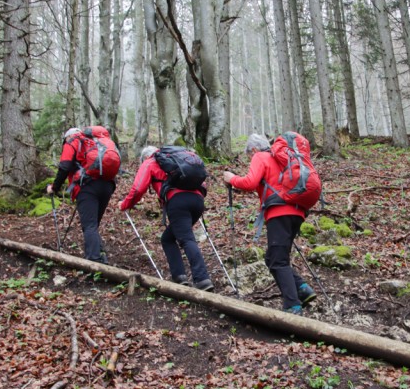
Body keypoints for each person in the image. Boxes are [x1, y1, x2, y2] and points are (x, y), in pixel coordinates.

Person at [223, 133, 317, 314]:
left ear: (254, 149)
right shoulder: (283, 159)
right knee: (272, 258)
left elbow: (249, 183)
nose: (251, 158)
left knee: (278, 261)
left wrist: (231, 178)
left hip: (279, 213)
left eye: (249, 155)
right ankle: (303, 290)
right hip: (297, 212)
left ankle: (293, 306)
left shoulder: (261, 156)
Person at [119, 146, 214, 291]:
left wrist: (125, 204)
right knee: (168, 239)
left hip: (178, 202)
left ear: (144, 157)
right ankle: (179, 276)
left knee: (186, 239)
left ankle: (202, 279)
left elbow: (138, 189)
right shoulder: (179, 160)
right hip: (197, 201)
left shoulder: (150, 162)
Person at [47, 126, 117, 264]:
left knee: (89, 225)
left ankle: (94, 260)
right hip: (107, 185)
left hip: (87, 186)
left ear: (67, 137)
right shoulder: (96, 141)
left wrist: (54, 187)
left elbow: (65, 166)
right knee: (93, 223)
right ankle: (100, 253)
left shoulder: (72, 141)